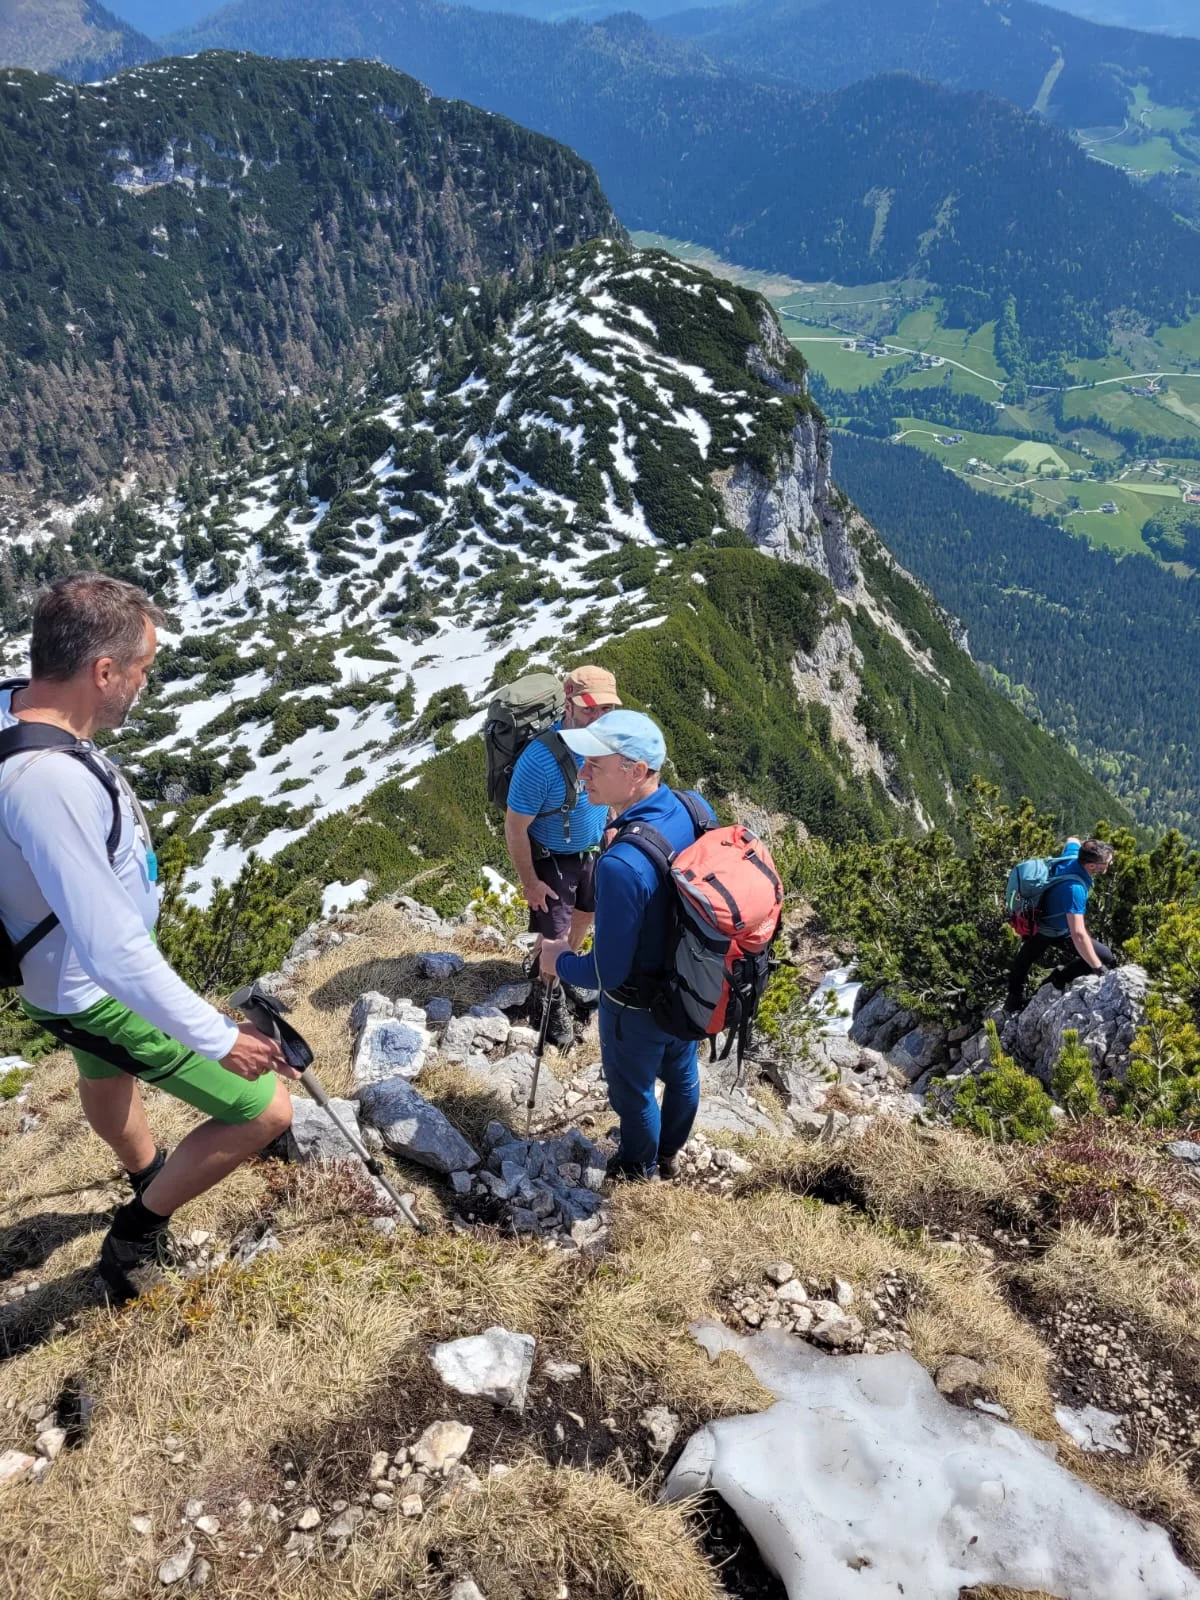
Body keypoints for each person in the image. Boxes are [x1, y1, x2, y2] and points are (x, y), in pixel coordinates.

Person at [0, 573, 298, 1301]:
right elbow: (110, 948)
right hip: (91, 989)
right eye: (142, 669)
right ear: (103, 671)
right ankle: (137, 1237)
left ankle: (147, 1170)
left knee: (107, 1080)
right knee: (266, 1110)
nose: (144, 683)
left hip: (61, 980)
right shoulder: (46, 780)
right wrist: (215, 1035)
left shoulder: (18, 709)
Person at [540, 710, 715, 1181]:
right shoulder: (692, 807)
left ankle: (638, 1166)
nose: (582, 773)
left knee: (633, 1092)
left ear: (635, 772)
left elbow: (607, 973)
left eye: (595, 765)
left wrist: (560, 959)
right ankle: (670, 1153)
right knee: (681, 1072)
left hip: (636, 1006)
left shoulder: (622, 865)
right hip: (691, 983)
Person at [505, 665, 620, 1045]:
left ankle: (560, 974)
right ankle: (547, 999)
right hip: (553, 858)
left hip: (592, 848)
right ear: (568, 701)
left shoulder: (606, 743)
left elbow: (610, 795)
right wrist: (530, 883)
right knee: (553, 936)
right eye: (589, 709)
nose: (598, 718)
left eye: (606, 710)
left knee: (586, 915)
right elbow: (515, 827)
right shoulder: (539, 760)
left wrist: (615, 826)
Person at [1006, 837, 1116, 1013]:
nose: (1109, 865)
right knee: (1105, 958)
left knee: (1025, 959)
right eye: (1106, 863)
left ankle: (1013, 998)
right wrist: (1098, 968)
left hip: (1040, 923)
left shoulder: (1073, 856)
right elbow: (1078, 934)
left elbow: (1072, 839)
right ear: (1092, 866)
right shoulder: (1075, 890)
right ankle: (1058, 979)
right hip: (1053, 930)